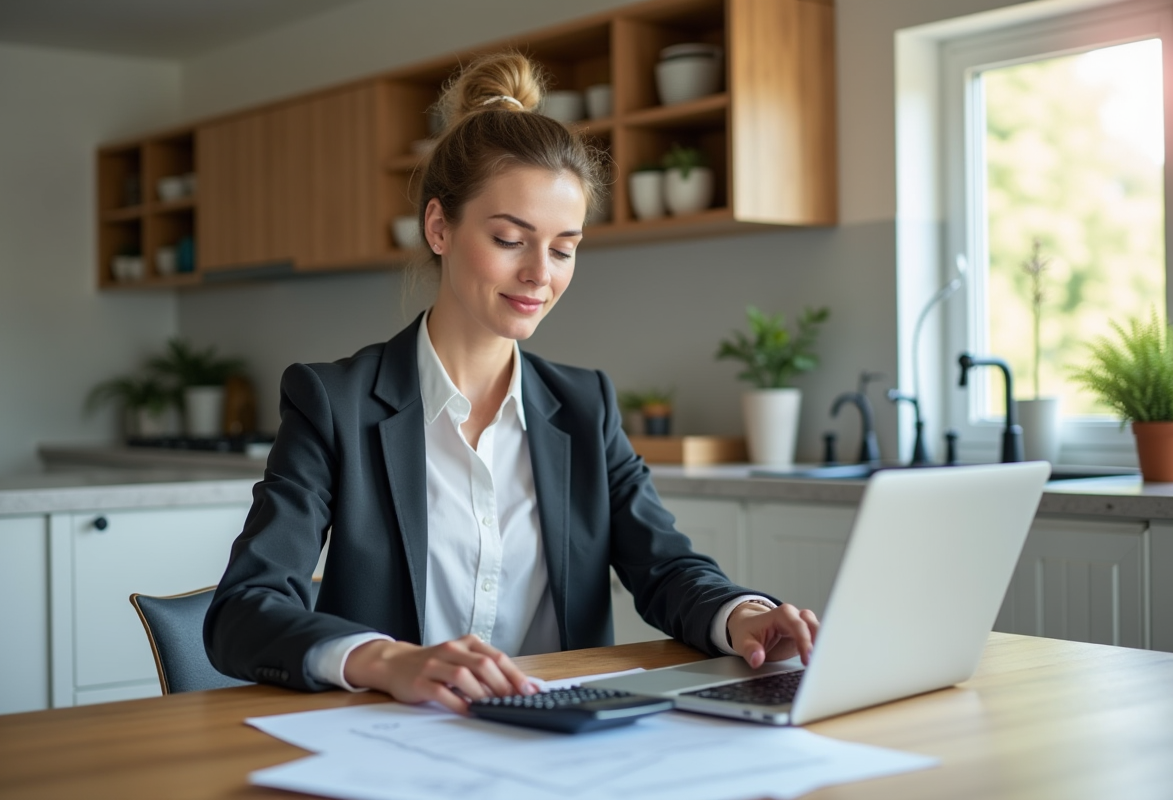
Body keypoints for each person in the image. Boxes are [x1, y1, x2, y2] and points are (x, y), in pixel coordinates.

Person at [204, 52, 819, 713]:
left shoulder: (585, 407)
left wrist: (745, 614)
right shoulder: (335, 403)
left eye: (563, 248)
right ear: (440, 227)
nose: (539, 274)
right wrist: (387, 659)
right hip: (396, 738)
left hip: (560, 742)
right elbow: (245, 609)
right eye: (509, 238)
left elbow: (666, 567)